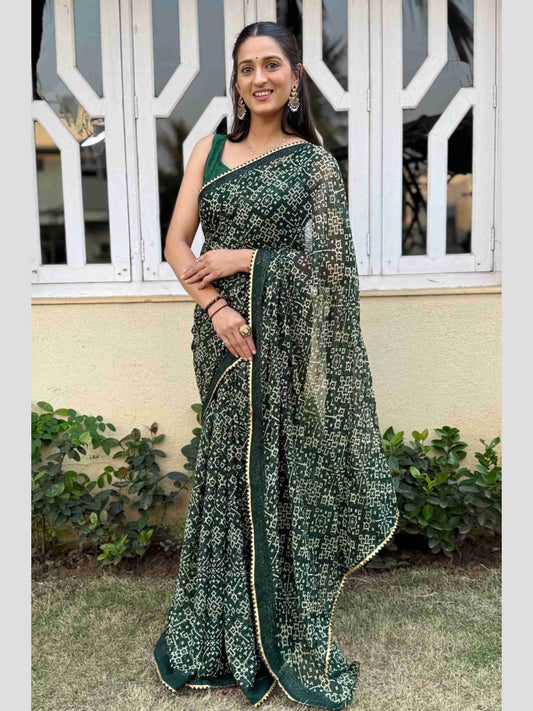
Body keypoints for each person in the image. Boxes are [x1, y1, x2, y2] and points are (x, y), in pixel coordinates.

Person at [153, 20, 399, 711]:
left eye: (271, 65)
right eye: (245, 67)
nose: (258, 78)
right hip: (222, 340)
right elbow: (176, 244)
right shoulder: (208, 150)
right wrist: (216, 308)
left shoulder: (314, 166)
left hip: (281, 346)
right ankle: (220, 630)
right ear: (235, 82)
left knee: (276, 474)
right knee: (228, 470)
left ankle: (275, 628)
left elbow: (331, 269)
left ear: (294, 77)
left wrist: (246, 258)